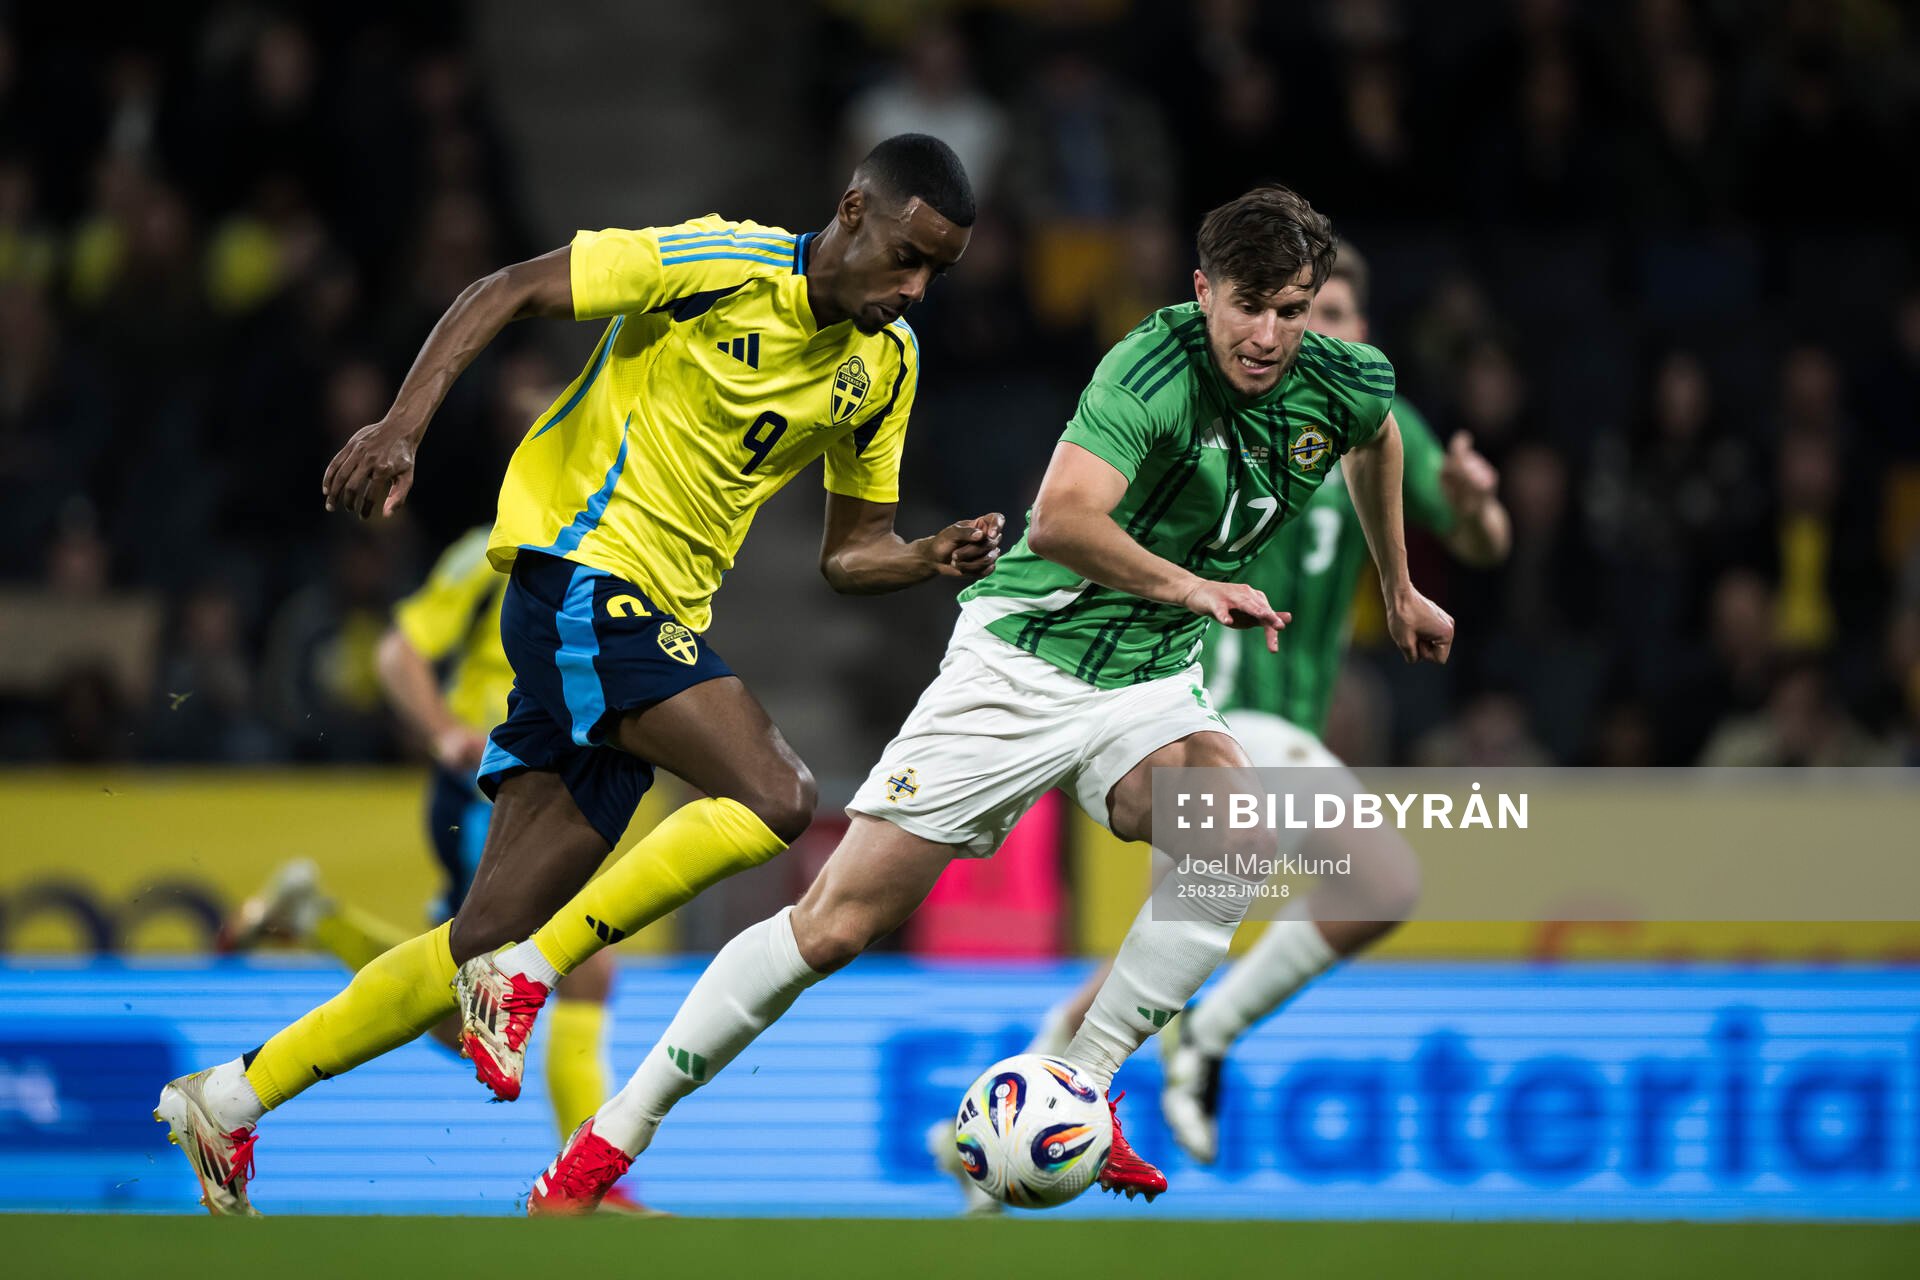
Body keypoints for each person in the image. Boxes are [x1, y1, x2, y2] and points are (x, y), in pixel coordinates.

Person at [513, 185, 1455, 1215]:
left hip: (1147, 675)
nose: (1271, 336)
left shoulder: (1345, 380)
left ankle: (1085, 1086)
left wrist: (1398, 582)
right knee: (833, 925)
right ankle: (603, 1145)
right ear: (1203, 291)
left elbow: (1377, 439)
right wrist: (1194, 585)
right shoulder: (1149, 366)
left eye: (1293, 309)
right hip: (1022, 662)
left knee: (1234, 830)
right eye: (1250, 307)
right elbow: (1059, 521)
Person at [154, 134, 994, 1216]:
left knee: (476, 934)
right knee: (780, 793)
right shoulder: (718, 265)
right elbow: (506, 290)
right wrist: (403, 426)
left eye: (938, 273)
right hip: (580, 579)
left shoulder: (887, 366)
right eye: (907, 255)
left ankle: (229, 1094)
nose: (914, 288)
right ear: (851, 210)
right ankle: (533, 971)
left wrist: (926, 556)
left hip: (646, 624)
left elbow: (849, 551)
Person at [939, 244, 1511, 1210]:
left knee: (1175, 948)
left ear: (1358, 333)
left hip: (1270, 723)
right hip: (1202, 704)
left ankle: (1021, 1113)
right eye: (1290, 314)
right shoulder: (1214, 406)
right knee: (1374, 879)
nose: (1296, 339)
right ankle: (1181, 1048)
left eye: (1325, 317)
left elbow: (1481, 546)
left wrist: (1479, 509)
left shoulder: (1367, 418)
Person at [218, 526, 649, 1212]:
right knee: (586, 967)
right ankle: (593, 1184)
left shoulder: (629, 540)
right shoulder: (499, 549)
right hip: (492, 786)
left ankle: (315, 919)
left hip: (553, 783)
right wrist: (444, 730)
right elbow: (398, 652)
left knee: (455, 1019)